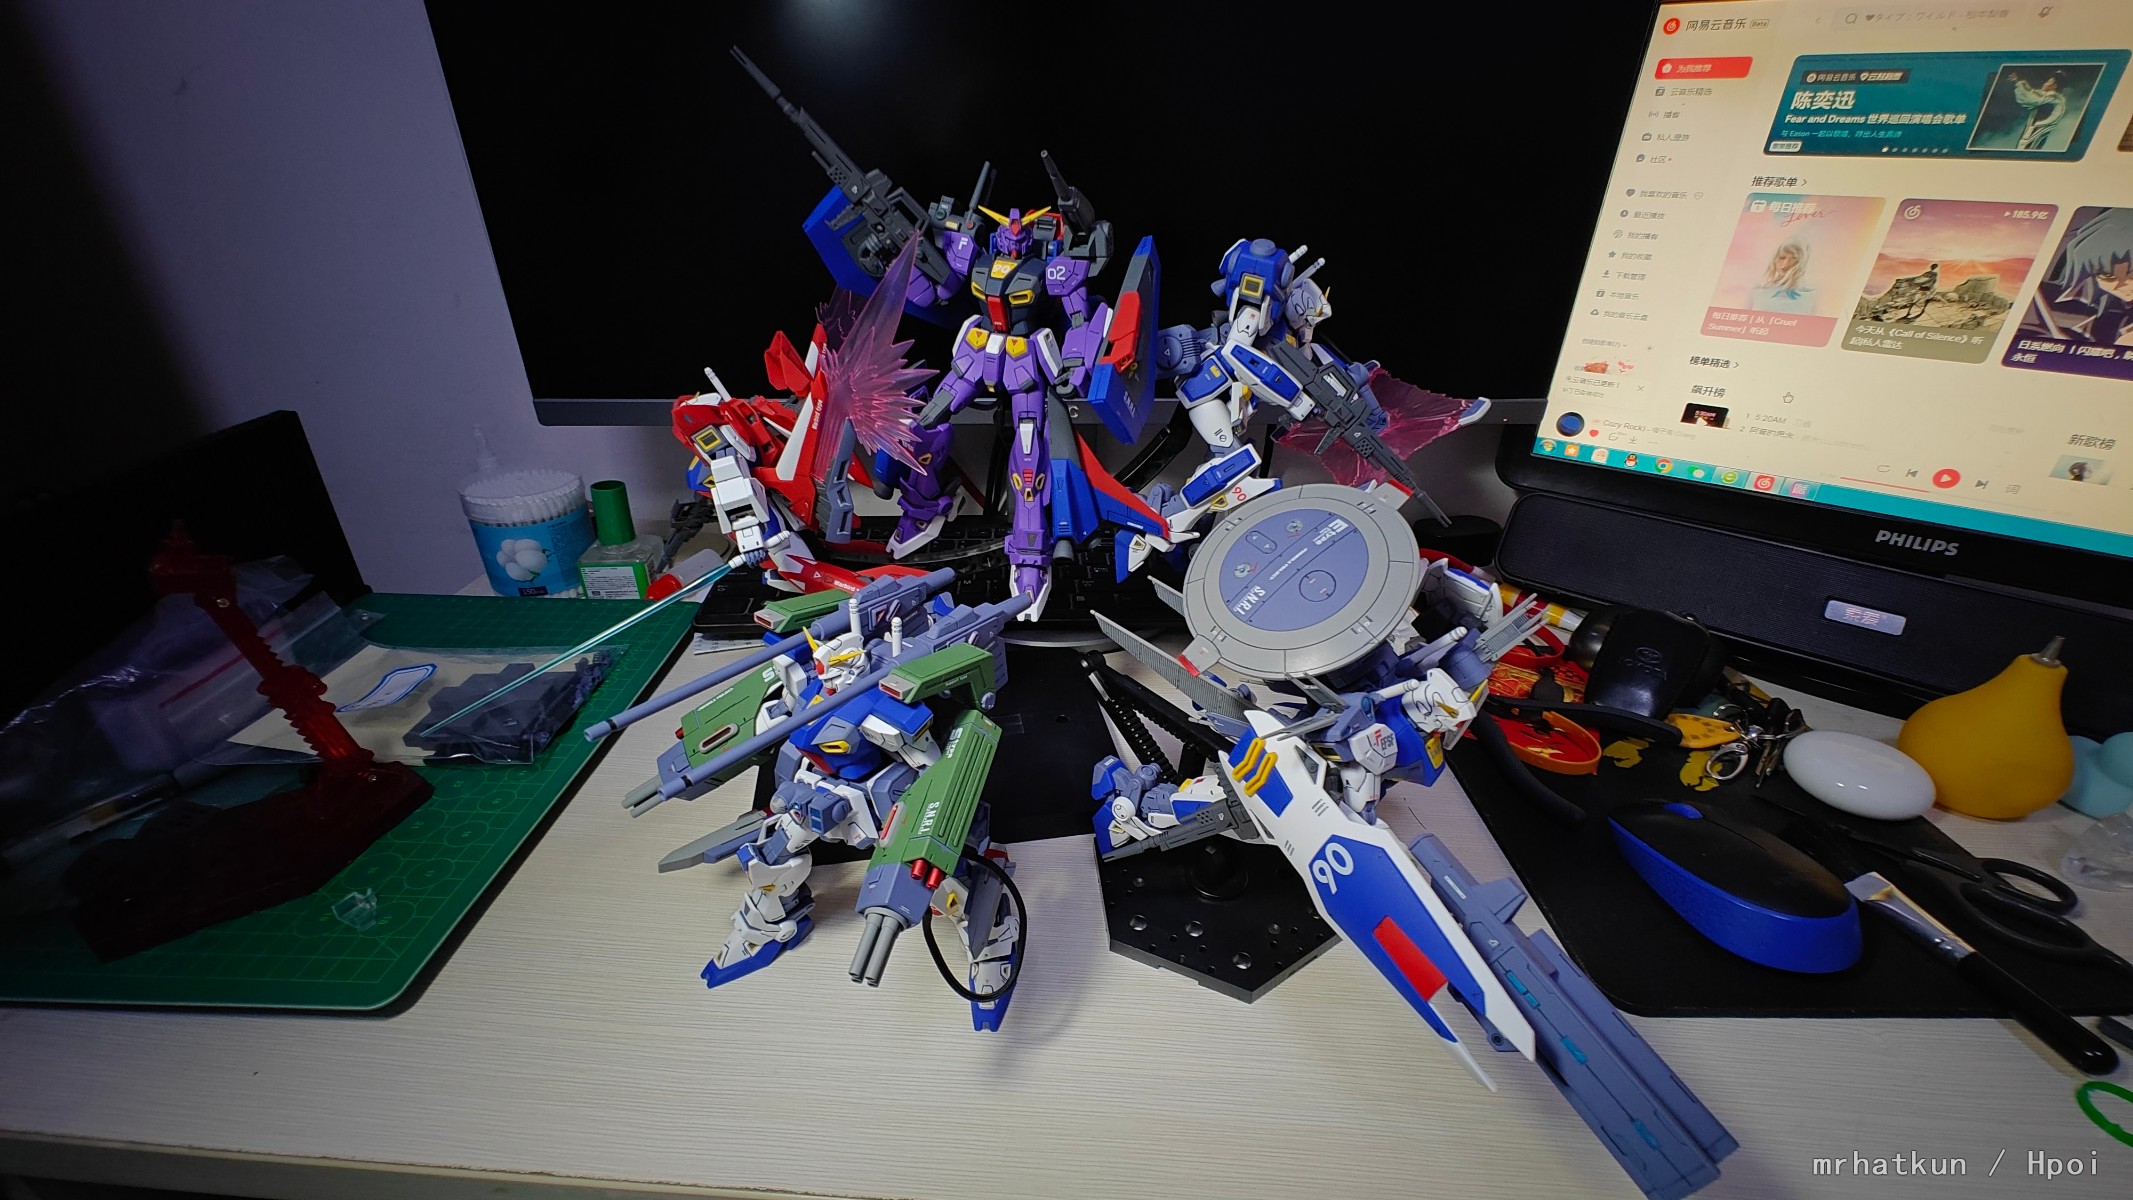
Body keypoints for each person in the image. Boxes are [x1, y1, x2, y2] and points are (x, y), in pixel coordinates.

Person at [1749, 237, 1816, 313]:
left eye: (1794, 258)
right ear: (1774, 259)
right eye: (1782, 258)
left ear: (1801, 261)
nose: (1786, 263)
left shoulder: (1811, 294)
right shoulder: (1758, 290)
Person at [2010, 73, 2068, 151]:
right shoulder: (2050, 97)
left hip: (2038, 131)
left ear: (2055, 86)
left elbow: (2031, 98)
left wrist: (2018, 83)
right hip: (2035, 130)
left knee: (2028, 151)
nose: (2044, 83)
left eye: (2048, 82)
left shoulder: (2054, 98)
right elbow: (2032, 94)